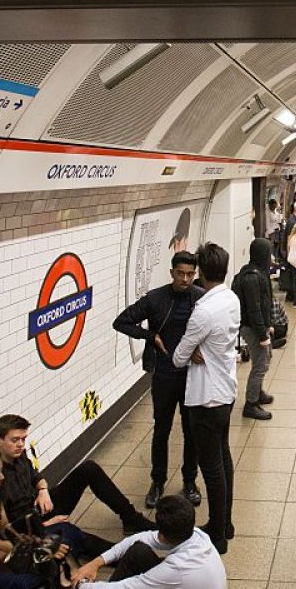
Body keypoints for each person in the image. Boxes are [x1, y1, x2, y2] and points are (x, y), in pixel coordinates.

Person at [112, 251, 205, 509]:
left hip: (191, 376)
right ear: (172, 272)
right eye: (181, 274)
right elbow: (121, 322)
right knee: (161, 430)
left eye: (190, 274)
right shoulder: (156, 298)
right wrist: (150, 336)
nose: (185, 279)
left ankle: (190, 481)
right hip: (164, 375)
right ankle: (157, 482)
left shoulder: (200, 299)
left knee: (191, 431)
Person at [0, 414, 154, 554]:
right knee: (77, 536)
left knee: (88, 468)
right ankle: (124, 555)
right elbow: (7, 528)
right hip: (31, 526)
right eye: (15, 440)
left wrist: (43, 490)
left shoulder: (19, 455)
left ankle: (131, 518)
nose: (21, 444)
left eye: (23, 439)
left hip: (42, 508)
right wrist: (45, 524)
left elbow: (37, 477)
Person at [172, 243, 240, 555]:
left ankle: (217, 533)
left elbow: (178, 356)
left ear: (200, 272)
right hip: (226, 391)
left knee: (210, 466)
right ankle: (226, 523)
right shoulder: (231, 299)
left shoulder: (203, 310)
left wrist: (193, 351)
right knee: (223, 458)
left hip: (205, 398)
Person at [0, 449, 72, 588]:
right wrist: (40, 548)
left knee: (62, 539)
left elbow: (5, 527)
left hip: (1, 554)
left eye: (2, 471)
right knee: (31, 577)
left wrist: (36, 538)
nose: (2, 477)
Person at [69, 495, 226, 589]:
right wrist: (96, 562)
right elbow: (139, 538)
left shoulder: (176, 568)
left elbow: (127, 587)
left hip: (179, 578)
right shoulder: (196, 534)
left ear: (162, 535)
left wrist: (81, 584)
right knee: (138, 551)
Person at [231, 238, 275, 421]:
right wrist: (262, 334)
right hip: (252, 327)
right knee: (260, 364)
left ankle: (258, 392)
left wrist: (268, 324)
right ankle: (251, 403)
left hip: (257, 325)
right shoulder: (252, 277)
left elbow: (264, 302)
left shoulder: (254, 272)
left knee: (266, 358)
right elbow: (254, 309)